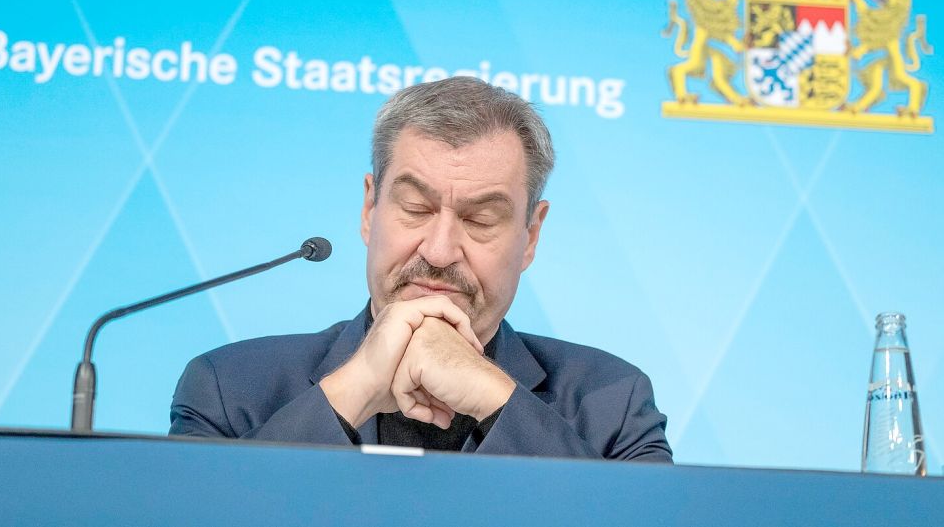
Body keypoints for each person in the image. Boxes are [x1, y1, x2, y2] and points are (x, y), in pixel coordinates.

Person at [169, 77, 672, 461]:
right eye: (415, 209)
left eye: (480, 219)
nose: (437, 250)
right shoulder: (228, 389)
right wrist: (353, 389)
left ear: (530, 237)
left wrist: (495, 396)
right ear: (370, 210)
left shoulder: (613, 404)